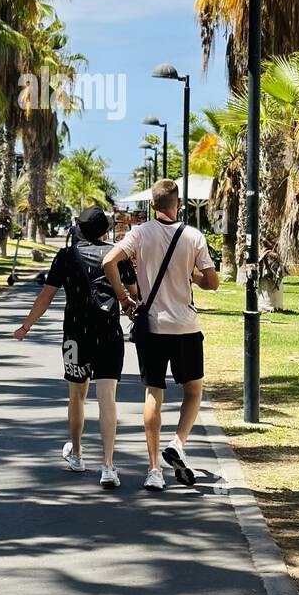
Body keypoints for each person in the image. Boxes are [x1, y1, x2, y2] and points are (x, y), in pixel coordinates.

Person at [103, 178, 219, 491]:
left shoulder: (139, 233)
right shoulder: (194, 236)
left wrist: (124, 298)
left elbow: (108, 261)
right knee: (193, 390)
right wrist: (189, 273)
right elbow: (212, 282)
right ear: (178, 204)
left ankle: (154, 470)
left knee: (154, 392)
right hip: (185, 326)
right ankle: (178, 443)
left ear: (153, 205)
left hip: (151, 326)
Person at [14, 206, 138, 489]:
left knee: (76, 395)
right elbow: (134, 294)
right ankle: (108, 466)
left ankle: (78, 455)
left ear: (79, 229)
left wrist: (26, 326)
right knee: (107, 398)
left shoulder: (66, 256)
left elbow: (46, 297)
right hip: (109, 333)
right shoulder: (117, 255)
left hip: (74, 336)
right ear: (106, 231)